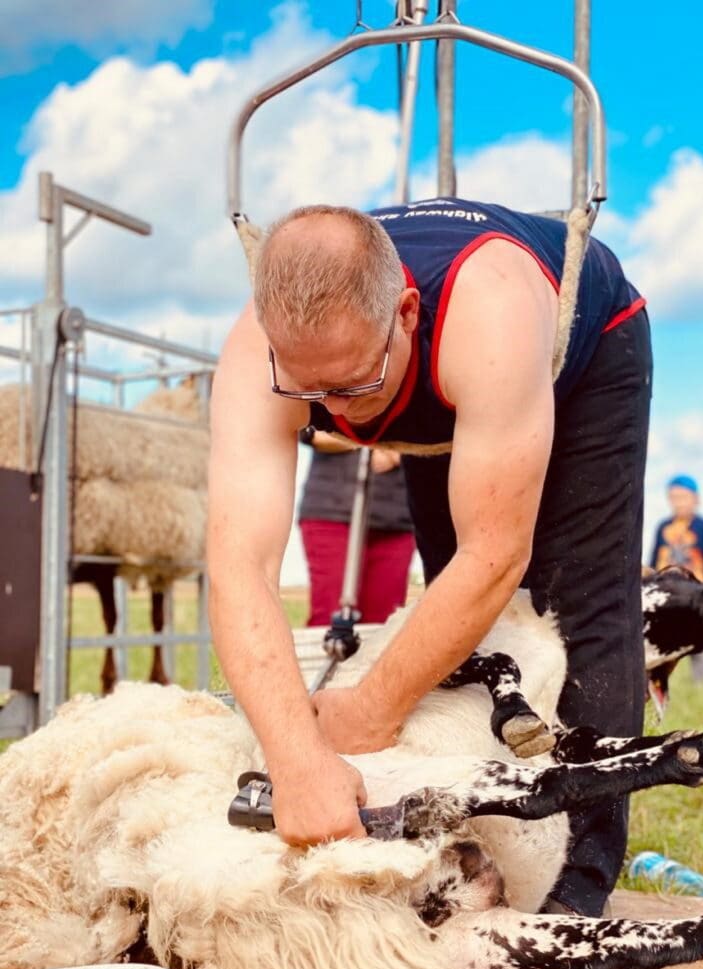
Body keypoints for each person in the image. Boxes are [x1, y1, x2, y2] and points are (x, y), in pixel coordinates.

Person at [208, 197, 652, 917]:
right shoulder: (254, 350)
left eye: (349, 385)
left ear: (406, 313)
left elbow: (496, 557)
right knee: (446, 617)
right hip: (425, 376)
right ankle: (467, 833)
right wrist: (296, 759)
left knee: (578, 603)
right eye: (308, 391)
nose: (339, 415)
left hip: (582, 343)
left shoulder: (490, 315)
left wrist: (367, 713)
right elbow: (239, 566)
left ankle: (577, 879)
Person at [297, 427, 415, 625]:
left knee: (383, 625)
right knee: (330, 617)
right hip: (332, 511)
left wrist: (397, 454)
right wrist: (375, 442)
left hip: (397, 517)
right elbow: (311, 433)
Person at [648, 474, 703, 681]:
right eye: (674, 497)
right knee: (659, 640)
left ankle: (701, 685)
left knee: (697, 641)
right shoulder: (663, 528)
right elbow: (655, 557)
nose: (678, 502)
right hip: (666, 595)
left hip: (696, 593)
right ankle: (658, 682)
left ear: (695, 499)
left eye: (683, 497)